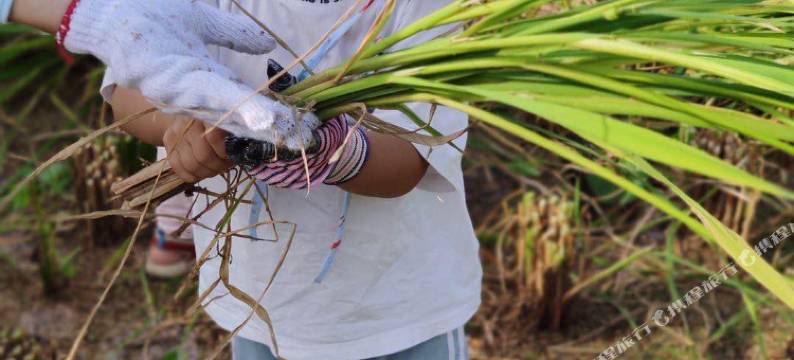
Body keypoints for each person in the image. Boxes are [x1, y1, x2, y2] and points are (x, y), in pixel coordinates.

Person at [7, 0, 482, 359]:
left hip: (397, 313)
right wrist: (183, 130)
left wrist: (326, 151)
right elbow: (129, 99)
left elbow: (410, 160)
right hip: (259, 310)